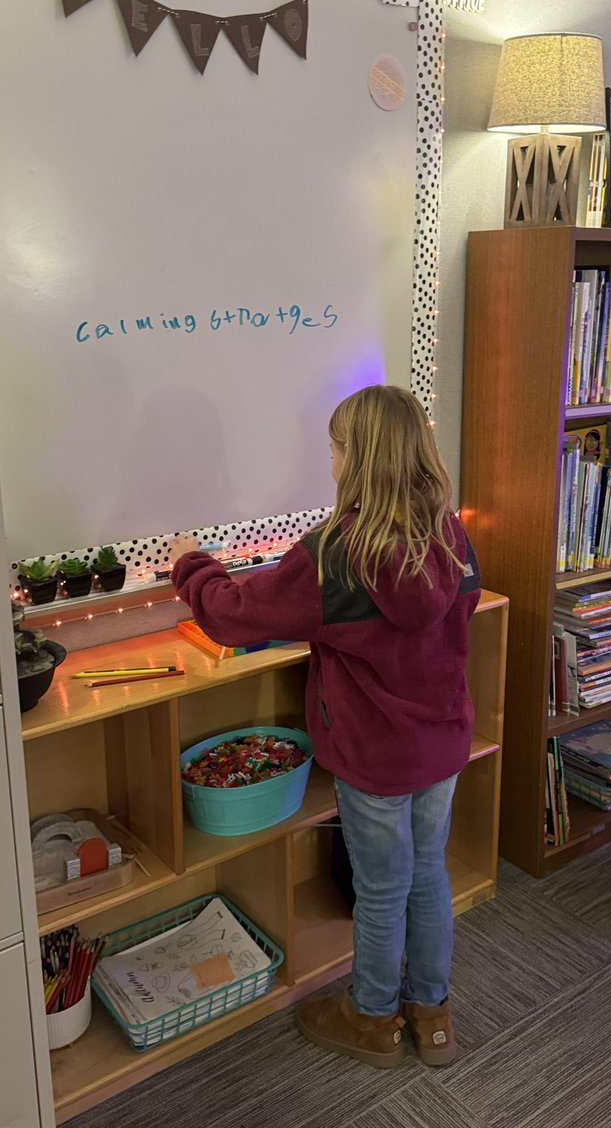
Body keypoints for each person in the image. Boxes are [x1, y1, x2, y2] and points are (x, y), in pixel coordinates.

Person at [169, 384, 481, 1069]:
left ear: (355, 456)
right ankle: (430, 1017)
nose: (331, 460)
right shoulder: (450, 531)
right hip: (443, 739)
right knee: (426, 874)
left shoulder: (335, 552)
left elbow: (228, 614)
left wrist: (189, 561)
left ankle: (371, 1019)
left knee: (380, 890)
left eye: (335, 448)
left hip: (375, 754)